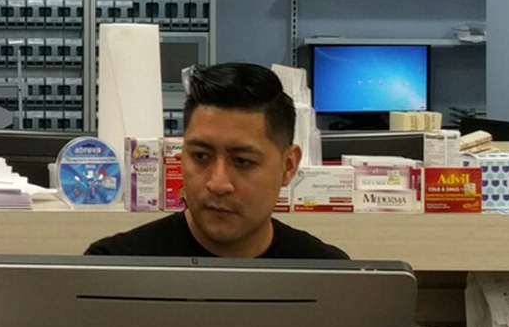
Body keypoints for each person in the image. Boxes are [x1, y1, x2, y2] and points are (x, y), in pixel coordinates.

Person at [86, 61, 346, 260]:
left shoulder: (327, 277)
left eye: (243, 161)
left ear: (288, 166)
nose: (218, 183)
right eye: (200, 157)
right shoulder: (115, 267)